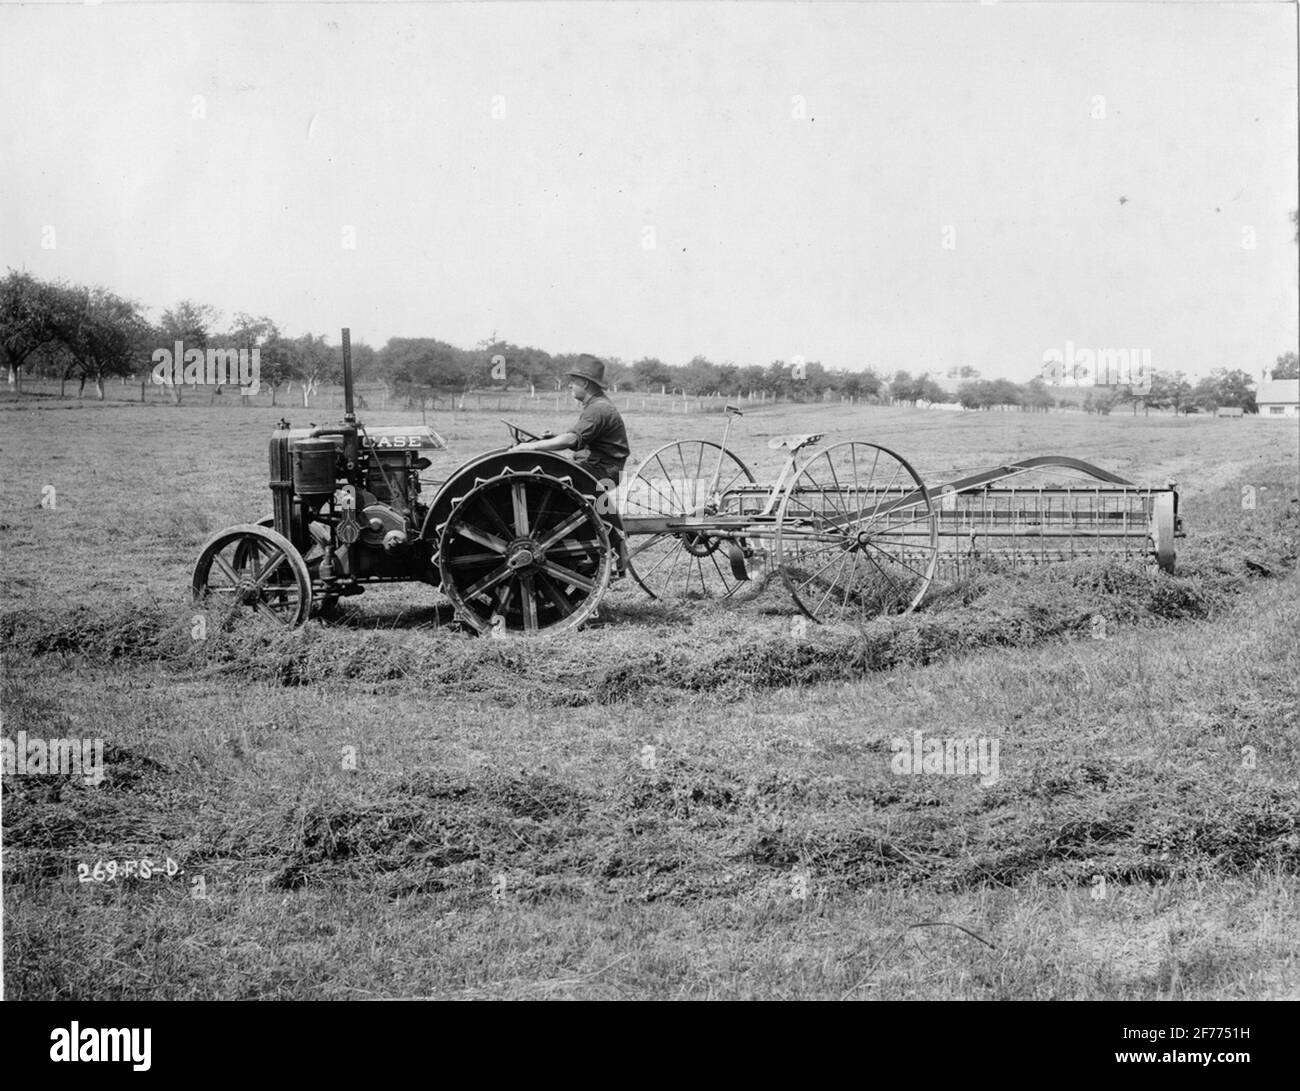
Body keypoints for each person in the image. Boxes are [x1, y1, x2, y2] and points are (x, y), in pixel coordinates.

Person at [511, 354, 630, 570]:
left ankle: (591, 546)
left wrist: (531, 446)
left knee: (552, 484)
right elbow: (581, 438)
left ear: (585, 383)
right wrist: (552, 438)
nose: (570, 386)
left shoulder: (599, 409)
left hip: (603, 471)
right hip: (596, 465)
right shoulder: (595, 406)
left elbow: (572, 439)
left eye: (573, 382)